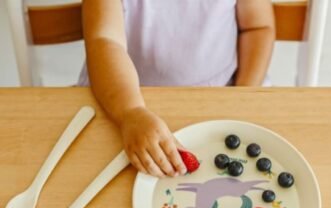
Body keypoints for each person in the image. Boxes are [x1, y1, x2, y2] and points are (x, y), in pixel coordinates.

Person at [81, 0, 275, 177]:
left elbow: (258, 28)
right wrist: (130, 112)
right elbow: (104, 40)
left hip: (226, 92)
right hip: (122, 98)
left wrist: (242, 93)